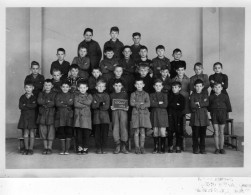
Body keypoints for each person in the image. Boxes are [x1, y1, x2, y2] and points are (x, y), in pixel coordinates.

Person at [209, 82, 232, 154]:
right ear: (212, 88)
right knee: (216, 132)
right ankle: (217, 148)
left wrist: (225, 114)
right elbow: (209, 107)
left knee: (221, 132)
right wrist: (212, 112)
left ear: (222, 88)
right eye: (215, 87)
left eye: (219, 87)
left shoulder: (225, 96)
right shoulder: (211, 97)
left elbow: (228, 107)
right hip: (214, 114)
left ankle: (221, 148)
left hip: (222, 114)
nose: (217, 89)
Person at [130, 79, 152, 154]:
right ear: (135, 85)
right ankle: (137, 147)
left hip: (143, 114)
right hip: (136, 114)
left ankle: (142, 147)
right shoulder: (133, 94)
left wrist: (138, 104)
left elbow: (148, 103)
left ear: (143, 85)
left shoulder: (146, 94)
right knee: (136, 131)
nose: (139, 86)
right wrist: (141, 104)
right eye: (137, 84)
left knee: (142, 131)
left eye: (140, 84)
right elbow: (131, 103)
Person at [171, 63, 190, 148]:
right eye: (178, 70)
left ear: (184, 70)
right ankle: (174, 143)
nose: (180, 71)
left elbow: (190, 91)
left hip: (184, 102)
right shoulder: (173, 79)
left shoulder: (188, 80)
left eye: (182, 70)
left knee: (182, 122)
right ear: (176, 71)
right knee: (175, 124)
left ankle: (182, 143)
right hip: (175, 103)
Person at [189, 79, 210, 154]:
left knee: (203, 134)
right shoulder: (192, 95)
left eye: (200, 86)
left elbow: (207, 103)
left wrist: (198, 104)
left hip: (203, 116)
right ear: (194, 87)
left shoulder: (205, 94)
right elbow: (192, 105)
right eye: (197, 86)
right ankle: (195, 148)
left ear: (203, 86)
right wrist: (201, 104)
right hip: (195, 115)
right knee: (195, 133)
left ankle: (202, 148)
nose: (198, 88)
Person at [37, 79, 57, 155]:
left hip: (51, 114)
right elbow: (39, 101)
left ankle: (49, 147)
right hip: (42, 114)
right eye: (46, 85)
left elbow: (53, 103)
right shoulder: (41, 93)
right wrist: (48, 102)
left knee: (50, 131)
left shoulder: (55, 93)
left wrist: (45, 103)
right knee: (43, 131)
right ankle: (45, 147)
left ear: (52, 86)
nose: (47, 86)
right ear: (44, 86)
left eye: (49, 85)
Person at [18, 82, 37, 155]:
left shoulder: (34, 97)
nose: (28, 89)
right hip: (24, 117)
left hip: (32, 117)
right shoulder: (22, 97)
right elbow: (20, 106)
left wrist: (25, 105)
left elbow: (34, 105)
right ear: (24, 88)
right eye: (26, 87)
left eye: (30, 87)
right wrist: (29, 105)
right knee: (25, 132)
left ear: (33, 88)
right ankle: (26, 148)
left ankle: (31, 149)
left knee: (32, 132)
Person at [55, 80, 74, 155]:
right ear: (61, 87)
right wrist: (66, 104)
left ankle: (67, 149)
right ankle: (62, 149)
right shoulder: (58, 95)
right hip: (60, 116)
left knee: (68, 132)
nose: (65, 88)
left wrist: (62, 103)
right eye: (63, 87)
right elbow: (57, 103)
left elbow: (71, 103)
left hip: (69, 115)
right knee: (61, 132)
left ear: (69, 88)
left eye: (67, 87)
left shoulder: (71, 95)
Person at [110, 79, 129, 154]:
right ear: (113, 86)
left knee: (123, 127)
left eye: (119, 86)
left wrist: (127, 107)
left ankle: (124, 145)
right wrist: (111, 108)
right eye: (116, 86)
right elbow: (110, 105)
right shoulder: (111, 95)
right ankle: (117, 145)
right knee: (115, 127)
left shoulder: (125, 94)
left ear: (122, 86)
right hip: (115, 112)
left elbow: (127, 104)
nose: (118, 87)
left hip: (123, 112)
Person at [74, 81, 93, 154]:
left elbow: (89, 102)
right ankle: (80, 147)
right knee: (79, 135)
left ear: (87, 88)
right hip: (78, 119)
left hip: (86, 119)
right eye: (81, 88)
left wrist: (80, 102)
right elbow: (76, 104)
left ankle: (85, 148)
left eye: (84, 88)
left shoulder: (89, 95)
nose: (82, 89)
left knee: (86, 134)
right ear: (78, 88)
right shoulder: (76, 96)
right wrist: (85, 105)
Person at [150, 79, 168, 154]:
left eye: (159, 86)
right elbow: (151, 104)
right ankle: (156, 147)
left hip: (163, 114)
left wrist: (156, 103)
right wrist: (160, 103)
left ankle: (163, 147)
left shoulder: (164, 95)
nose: (158, 87)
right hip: (154, 114)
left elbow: (165, 105)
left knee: (163, 132)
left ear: (162, 86)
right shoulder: (151, 95)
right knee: (155, 132)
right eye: (156, 86)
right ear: (154, 86)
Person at [92, 80, 110, 154]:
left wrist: (98, 104)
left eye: (102, 86)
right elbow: (93, 106)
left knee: (104, 133)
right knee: (97, 134)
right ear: (96, 87)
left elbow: (106, 107)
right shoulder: (93, 96)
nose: (100, 88)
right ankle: (98, 148)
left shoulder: (107, 96)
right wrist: (101, 103)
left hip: (105, 117)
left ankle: (104, 147)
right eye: (99, 86)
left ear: (105, 88)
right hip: (96, 117)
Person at [168, 81, 185, 153]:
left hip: (179, 116)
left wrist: (174, 105)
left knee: (179, 131)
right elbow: (168, 106)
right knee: (170, 131)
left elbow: (182, 107)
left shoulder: (182, 97)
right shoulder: (169, 96)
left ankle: (178, 146)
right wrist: (176, 105)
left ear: (179, 88)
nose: (174, 89)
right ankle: (170, 146)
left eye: (176, 87)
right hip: (170, 115)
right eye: (173, 87)